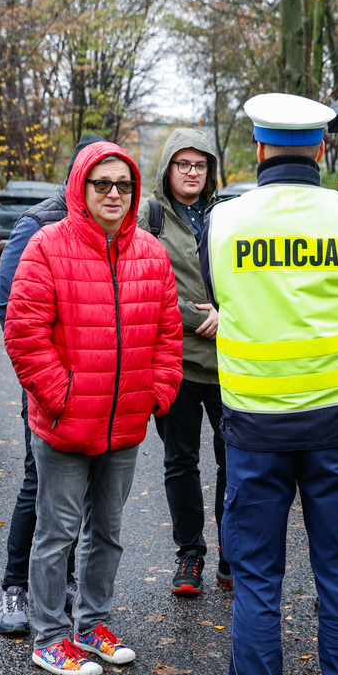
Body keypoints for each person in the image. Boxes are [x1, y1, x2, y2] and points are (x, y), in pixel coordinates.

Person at [197, 93, 338, 675]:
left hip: (254, 427)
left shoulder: (222, 220)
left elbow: (220, 299)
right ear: (322, 151)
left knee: (256, 582)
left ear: (257, 150)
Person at [4, 141, 182, 675]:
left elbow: (168, 336)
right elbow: (25, 335)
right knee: (56, 532)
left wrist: (155, 395)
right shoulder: (47, 246)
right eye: (101, 184)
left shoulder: (151, 252)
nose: (112, 194)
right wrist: (62, 396)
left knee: (107, 530)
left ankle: (92, 625)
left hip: (125, 423)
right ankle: (49, 636)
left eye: (122, 185)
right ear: (80, 188)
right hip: (63, 424)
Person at [0, 134, 105, 636]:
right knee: (38, 484)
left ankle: (66, 583)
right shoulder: (39, 221)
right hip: (50, 389)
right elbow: (5, 306)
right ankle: (16, 587)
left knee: (83, 493)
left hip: (99, 391)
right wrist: (50, 382)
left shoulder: (113, 223)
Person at [137, 128, 229, 594]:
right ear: (167, 168)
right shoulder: (147, 219)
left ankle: (231, 555)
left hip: (231, 363)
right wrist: (194, 319)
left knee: (234, 460)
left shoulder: (229, 215)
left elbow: (254, 281)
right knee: (180, 462)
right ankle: (190, 555)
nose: (192, 173)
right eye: (183, 164)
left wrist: (229, 314)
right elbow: (139, 290)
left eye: (200, 165)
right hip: (174, 363)